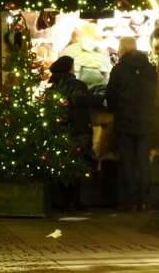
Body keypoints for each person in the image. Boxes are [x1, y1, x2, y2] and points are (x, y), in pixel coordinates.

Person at [105, 37, 158, 212]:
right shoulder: (150, 69)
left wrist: (114, 108)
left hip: (125, 122)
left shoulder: (119, 69)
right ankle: (145, 199)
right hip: (147, 121)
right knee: (143, 161)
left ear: (124, 50)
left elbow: (111, 95)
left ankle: (130, 199)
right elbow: (155, 94)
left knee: (127, 161)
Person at [46, 55, 103, 210]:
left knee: (61, 164)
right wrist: (102, 97)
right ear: (69, 68)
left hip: (59, 132)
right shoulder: (77, 85)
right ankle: (75, 201)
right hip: (78, 131)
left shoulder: (52, 88)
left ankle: (63, 200)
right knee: (78, 165)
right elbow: (88, 100)